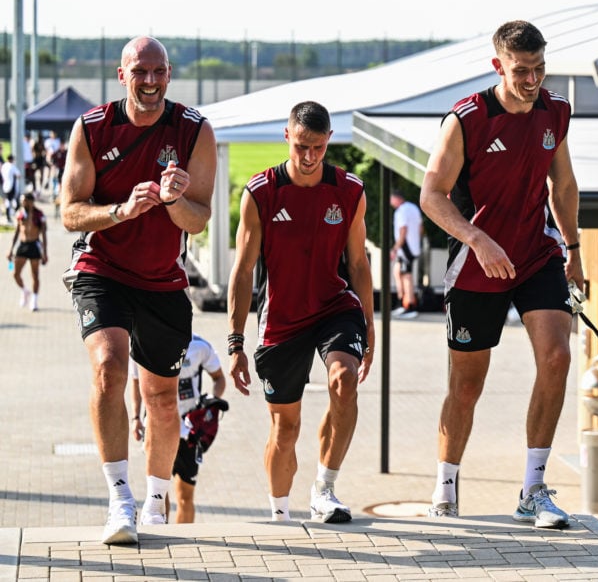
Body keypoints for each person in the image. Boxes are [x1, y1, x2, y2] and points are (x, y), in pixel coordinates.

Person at [419, 20, 583, 528]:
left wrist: (573, 248)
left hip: (536, 254)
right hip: (477, 263)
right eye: (520, 71)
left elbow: (564, 182)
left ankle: (534, 490)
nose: (531, 80)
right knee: (467, 386)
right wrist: (476, 238)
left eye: (538, 69)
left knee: (557, 356)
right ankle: (446, 484)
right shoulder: (467, 119)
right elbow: (431, 195)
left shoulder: (556, 111)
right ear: (498, 66)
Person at [61, 35, 217, 545]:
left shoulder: (194, 131)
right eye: (140, 72)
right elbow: (69, 212)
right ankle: (119, 500)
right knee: (109, 367)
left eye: (159, 72)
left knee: (163, 399)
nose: (150, 82)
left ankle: (155, 502)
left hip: (162, 280)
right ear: (121, 75)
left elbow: (198, 220)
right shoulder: (91, 127)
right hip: (101, 268)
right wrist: (121, 211)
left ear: (169, 75)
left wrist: (173, 201)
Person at [227, 100, 375, 524]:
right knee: (285, 429)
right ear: (287, 137)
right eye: (301, 147)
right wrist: (235, 343)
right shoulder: (261, 193)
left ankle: (325, 489)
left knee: (344, 380)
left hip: (334, 306)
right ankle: (280, 514)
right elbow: (242, 271)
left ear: (329, 141)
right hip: (282, 319)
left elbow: (360, 264)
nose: (309, 158)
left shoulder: (349, 191)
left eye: (318, 148)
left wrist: (368, 323)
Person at [129, 333, 227, 523]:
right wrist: (135, 417)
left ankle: (185, 541)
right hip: (157, 428)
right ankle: (162, 534)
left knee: (185, 496)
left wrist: (213, 403)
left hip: (189, 431)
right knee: (158, 494)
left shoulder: (199, 346)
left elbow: (219, 378)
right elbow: (136, 381)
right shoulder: (143, 343)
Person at [6, 192, 47, 310]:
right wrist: (10, 249)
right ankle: (24, 291)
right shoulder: (20, 214)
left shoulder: (39, 215)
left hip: (34, 245)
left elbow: (44, 235)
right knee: (15, 274)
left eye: (24, 200)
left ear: (31, 201)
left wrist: (44, 253)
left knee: (35, 274)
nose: (22, 203)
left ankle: (34, 300)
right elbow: (16, 232)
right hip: (23, 245)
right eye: (22, 201)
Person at [389, 189, 424, 318]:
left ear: (397, 198)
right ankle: (401, 302)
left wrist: (395, 248)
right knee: (397, 271)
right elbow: (420, 228)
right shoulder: (413, 207)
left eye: (391, 199)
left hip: (406, 248)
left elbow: (403, 230)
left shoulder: (401, 211)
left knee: (406, 276)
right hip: (413, 246)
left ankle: (409, 306)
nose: (391, 202)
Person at [1, 154, 21, 224]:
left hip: (5, 185)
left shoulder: (4, 166)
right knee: (14, 201)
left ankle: (9, 216)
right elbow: (19, 175)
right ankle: (11, 215)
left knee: (7, 201)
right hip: (12, 186)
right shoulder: (12, 167)